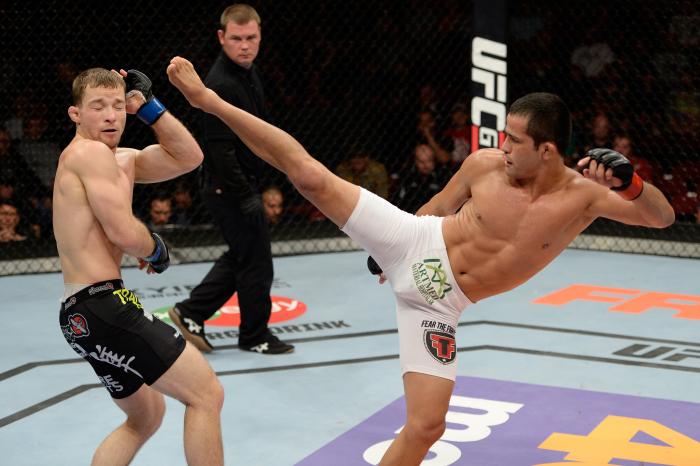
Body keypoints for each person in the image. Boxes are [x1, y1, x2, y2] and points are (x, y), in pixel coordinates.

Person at [167, 57, 675, 465]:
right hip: (414, 242)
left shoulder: (585, 196)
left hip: (440, 306)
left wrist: (631, 183)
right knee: (312, 177)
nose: (502, 147)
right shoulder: (484, 166)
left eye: (514, 141)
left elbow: (661, 217)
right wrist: (384, 250)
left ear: (547, 151)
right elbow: (435, 210)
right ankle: (210, 103)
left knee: (428, 427)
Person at [53, 66, 224, 465]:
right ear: (75, 114)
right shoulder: (89, 153)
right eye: (98, 107)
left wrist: (150, 109)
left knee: (145, 418)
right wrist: (156, 249)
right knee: (206, 394)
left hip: (81, 314)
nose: (111, 115)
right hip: (103, 305)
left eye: (117, 105)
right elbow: (123, 232)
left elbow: (189, 157)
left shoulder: (119, 159)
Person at [169, 3, 294, 355]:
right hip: (227, 187)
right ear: (222, 38)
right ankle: (253, 335)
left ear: (259, 36)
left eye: (251, 37)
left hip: (236, 184)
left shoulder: (247, 73)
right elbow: (219, 149)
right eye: (237, 38)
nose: (245, 45)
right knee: (256, 261)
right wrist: (244, 195)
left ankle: (190, 312)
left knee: (243, 256)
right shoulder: (221, 82)